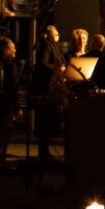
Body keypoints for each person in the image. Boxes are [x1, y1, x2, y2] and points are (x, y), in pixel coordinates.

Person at [30, 26, 63, 163]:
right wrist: (56, 69)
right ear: (52, 35)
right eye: (57, 33)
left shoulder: (49, 46)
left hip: (46, 88)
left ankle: (44, 151)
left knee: (46, 121)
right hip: (45, 89)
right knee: (45, 120)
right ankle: (43, 152)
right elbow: (42, 63)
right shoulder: (48, 47)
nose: (58, 36)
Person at [0, 37, 20, 172]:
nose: (14, 50)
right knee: (5, 134)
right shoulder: (10, 65)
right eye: (12, 47)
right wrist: (17, 106)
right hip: (6, 104)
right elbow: (13, 87)